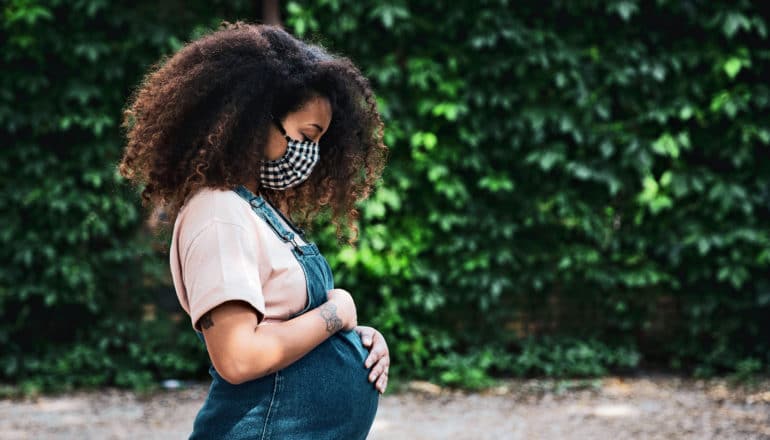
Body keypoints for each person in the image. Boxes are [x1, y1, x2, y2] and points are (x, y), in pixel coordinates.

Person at [117, 20, 390, 439]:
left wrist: (357, 342)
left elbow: (287, 323)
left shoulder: (256, 209)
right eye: (305, 135)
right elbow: (238, 357)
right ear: (252, 121)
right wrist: (337, 313)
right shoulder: (218, 212)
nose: (310, 154)